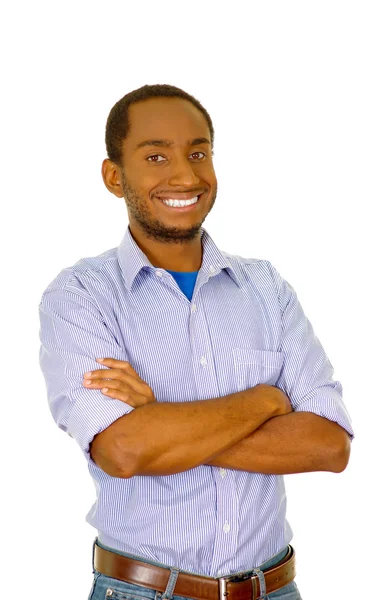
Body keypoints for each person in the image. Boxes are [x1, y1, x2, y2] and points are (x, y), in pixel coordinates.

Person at [38, 84, 354, 600]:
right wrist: (265, 400)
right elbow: (123, 448)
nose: (185, 175)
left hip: (273, 590)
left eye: (199, 153)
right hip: (143, 592)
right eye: (156, 156)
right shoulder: (81, 296)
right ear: (114, 177)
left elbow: (328, 444)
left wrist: (162, 415)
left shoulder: (266, 288)